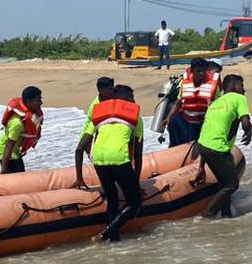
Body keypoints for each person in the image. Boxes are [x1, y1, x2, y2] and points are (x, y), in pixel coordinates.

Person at [74, 86, 144, 243]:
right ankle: (103, 235)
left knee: (112, 199)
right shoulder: (135, 116)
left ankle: (115, 240)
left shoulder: (100, 114)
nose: (133, 101)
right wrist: (136, 182)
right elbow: (138, 153)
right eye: (131, 97)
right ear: (125, 99)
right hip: (119, 157)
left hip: (98, 157)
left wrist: (79, 175)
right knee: (134, 203)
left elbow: (81, 145)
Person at [195, 75, 252, 217]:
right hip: (218, 148)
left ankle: (226, 215)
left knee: (223, 183)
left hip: (203, 146)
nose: (244, 89)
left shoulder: (215, 103)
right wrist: (249, 132)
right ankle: (207, 214)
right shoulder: (239, 98)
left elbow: (207, 131)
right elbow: (245, 121)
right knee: (232, 184)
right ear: (233, 87)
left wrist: (201, 167)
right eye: (241, 85)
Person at [157, 57, 221, 146]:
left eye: (203, 71)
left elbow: (219, 104)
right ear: (192, 71)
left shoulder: (213, 86)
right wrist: (168, 118)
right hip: (188, 121)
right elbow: (178, 102)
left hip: (205, 121)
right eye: (198, 71)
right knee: (190, 143)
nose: (201, 74)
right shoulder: (185, 83)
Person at [0, 86, 43, 173]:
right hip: (5, 152)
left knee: (21, 174)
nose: (41, 102)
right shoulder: (18, 123)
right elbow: (8, 146)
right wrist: (3, 171)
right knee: (14, 178)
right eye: (38, 100)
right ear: (28, 102)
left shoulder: (31, 114)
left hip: (15, 150)